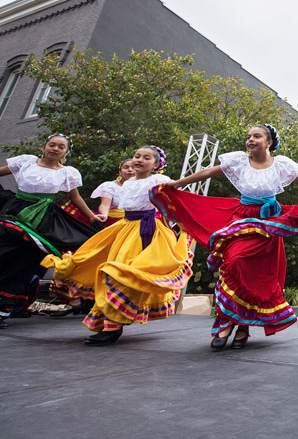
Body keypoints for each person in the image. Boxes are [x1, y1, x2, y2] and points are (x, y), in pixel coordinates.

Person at [152, 125, 298, 350]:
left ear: (269, 142)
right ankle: (226, 323)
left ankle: (243, 326)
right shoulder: (237, 161)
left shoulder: (282, 165)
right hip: (242, 219)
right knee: (234, 263)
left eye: (256, 136)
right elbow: (208, 172)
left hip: (269, 225)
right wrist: (178, 184)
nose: (250, 140)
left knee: (256, 278)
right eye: (248, 137)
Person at [41, 146, 192, 346]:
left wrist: (185, 223)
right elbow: (108, 204)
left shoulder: (159, 181)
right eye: (137, 156)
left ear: (156, 165)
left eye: (146, 158)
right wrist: (102, 214)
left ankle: (112, 326)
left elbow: (176, 199)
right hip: (124, 230)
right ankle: (109, 323)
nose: (139, 160)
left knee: (121, 274)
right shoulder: (128, 183)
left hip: (146, 232)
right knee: (95, 263)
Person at [0, 134, 101, 328]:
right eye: (52, 145)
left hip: (42, 220)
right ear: (44, 146)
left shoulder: (67, 172)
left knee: (21, 263)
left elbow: (75, 197)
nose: (55, 149)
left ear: (66, 152)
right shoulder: (26, 162)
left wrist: (91, 216)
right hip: (16, 210)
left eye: (61, 147)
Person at [49, 159, 136, 317]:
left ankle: (116, 303)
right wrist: (102, 214)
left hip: (135, 229)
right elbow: (105, 204)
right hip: (112, 226)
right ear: (120, 170)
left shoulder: (146, 185)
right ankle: (74, 301)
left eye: (133, 167)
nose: (129, 170)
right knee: (90, 260)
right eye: (126, 167)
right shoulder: (111, 186)